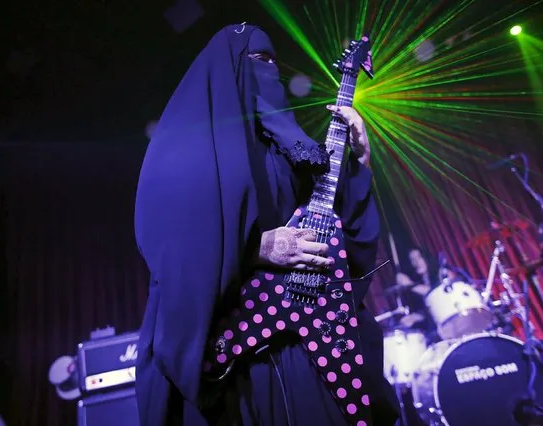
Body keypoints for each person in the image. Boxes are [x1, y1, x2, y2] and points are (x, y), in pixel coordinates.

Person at [133, 23, 399, 426]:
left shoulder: (294, 151)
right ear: (228, 71)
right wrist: (256, 248)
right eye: (259, 62)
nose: (269, 71)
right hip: (235, 358)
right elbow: (171, 245)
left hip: (313, 351)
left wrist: (360, 163)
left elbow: (349, 244)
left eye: (275, 62)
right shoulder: (185, 149)